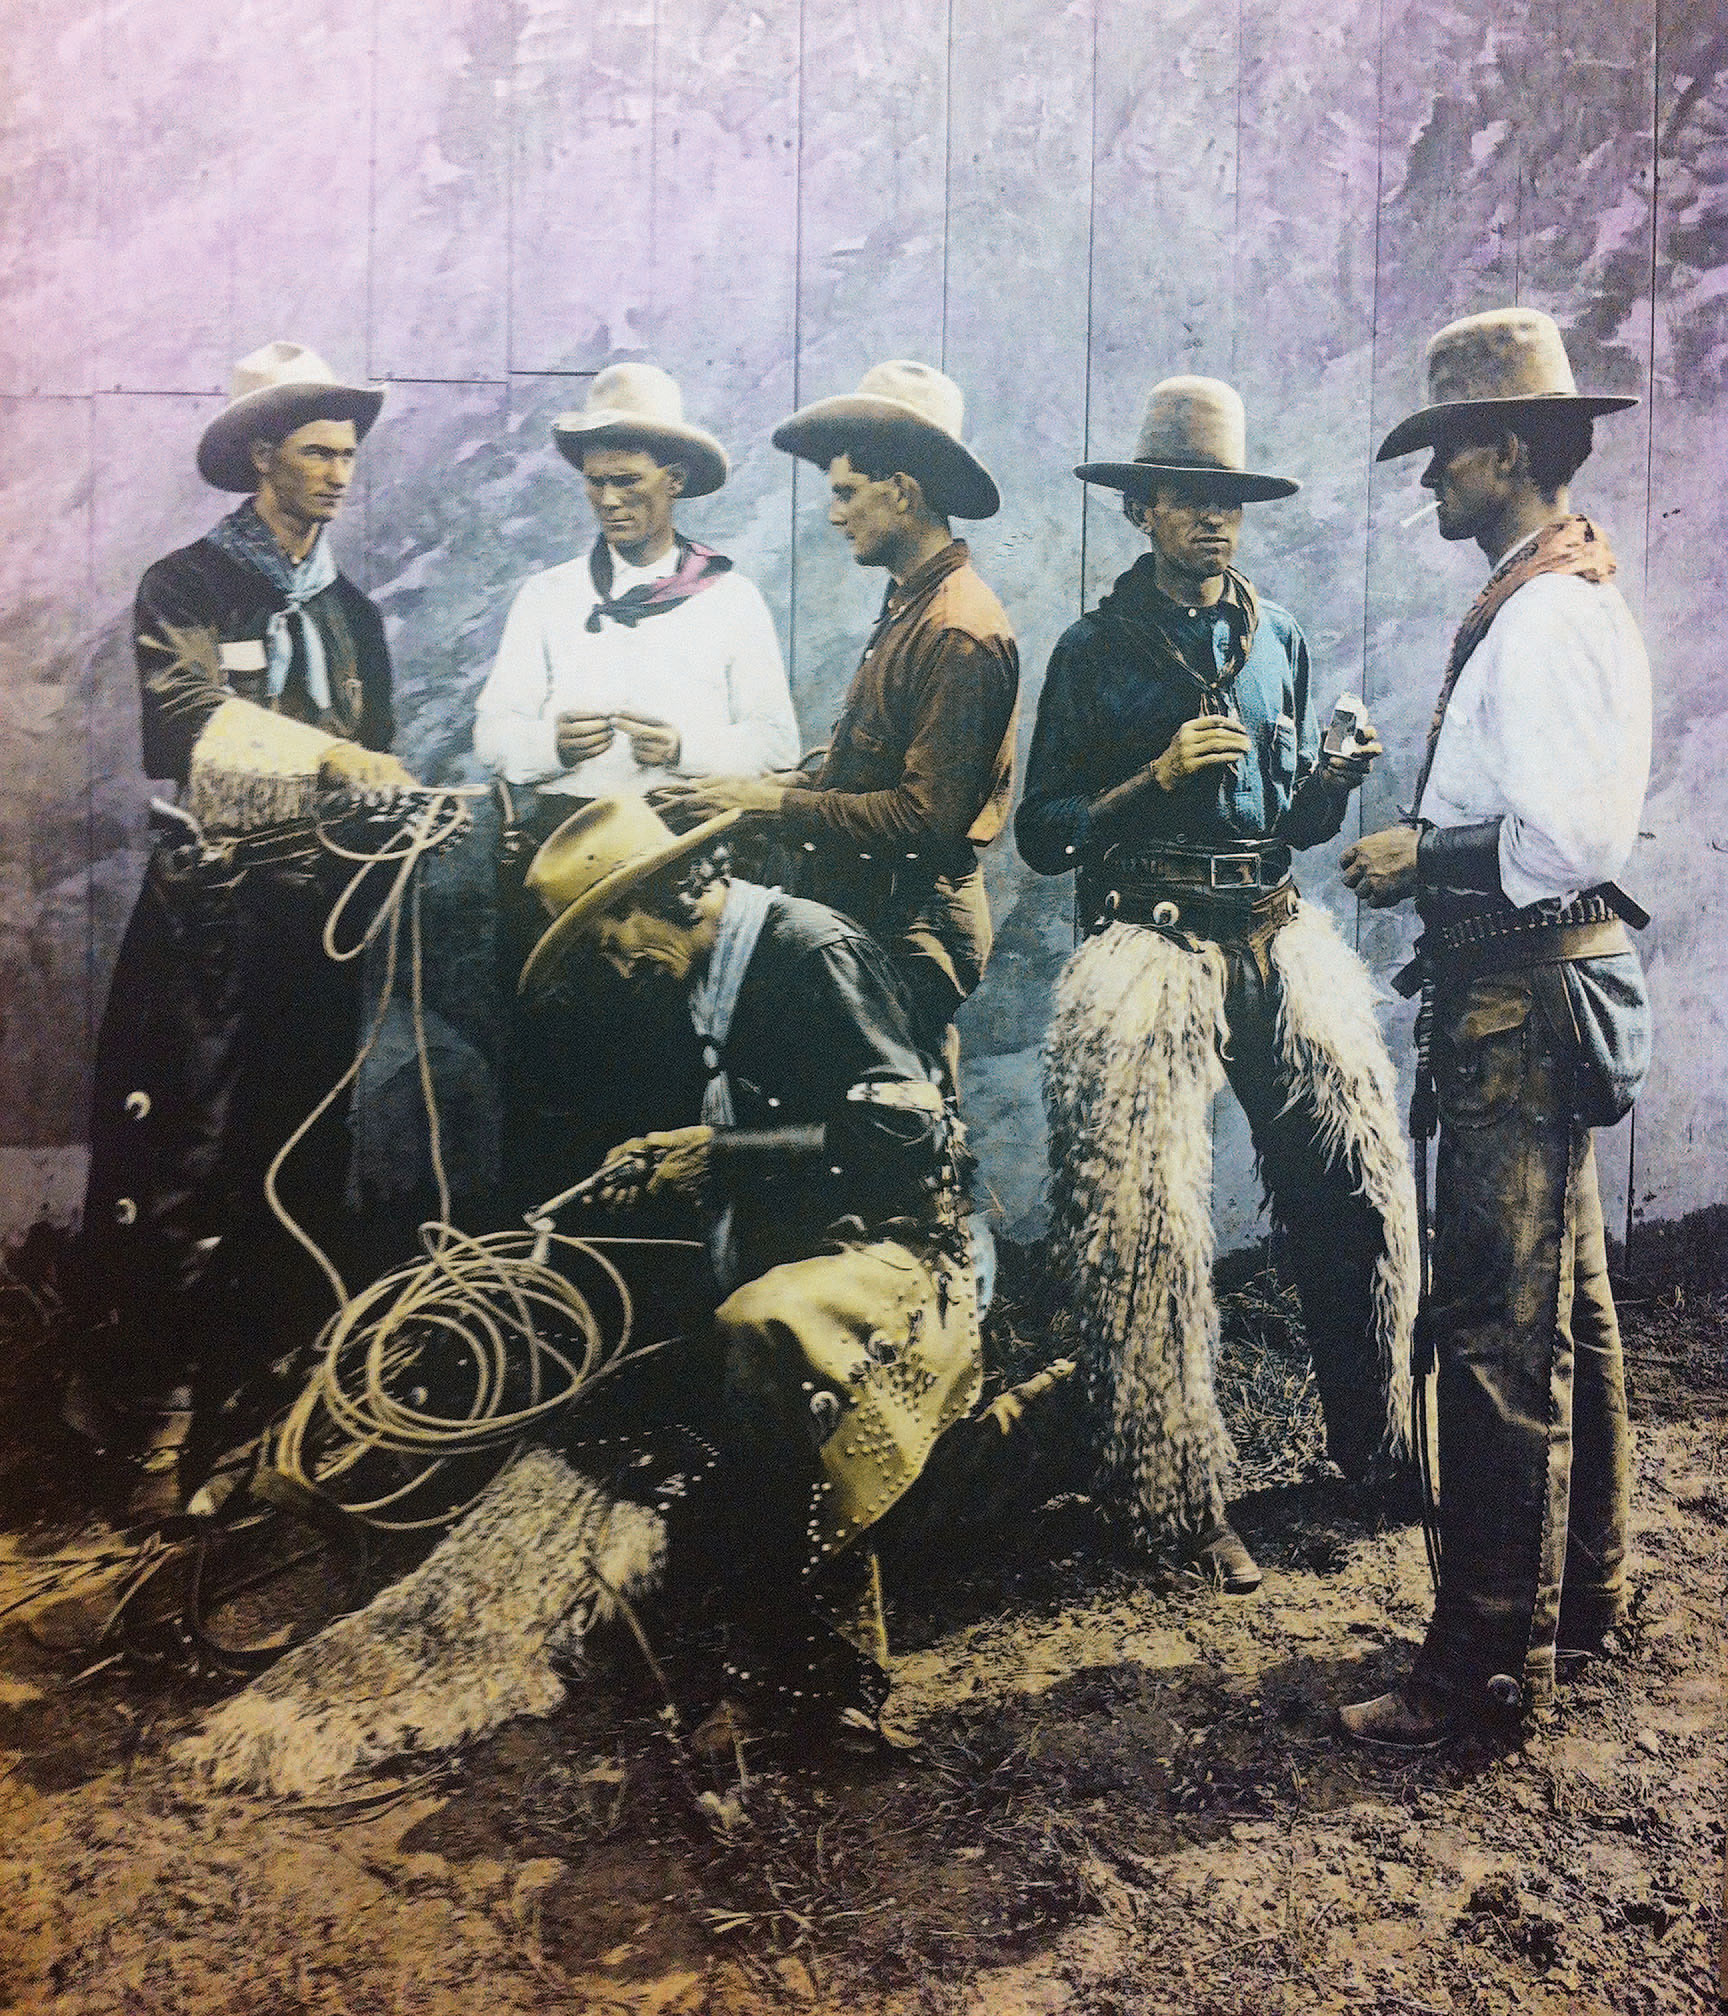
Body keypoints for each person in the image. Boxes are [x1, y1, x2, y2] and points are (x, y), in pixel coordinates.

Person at [1016, 375, 1419, 1592]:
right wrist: (1150, 776)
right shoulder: (1092, 653)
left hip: (1274, 938)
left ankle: (1376, 1448)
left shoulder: (1276, 635)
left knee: (1350, 1189)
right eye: (1187, 501)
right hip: (1152, 949)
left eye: (1227, 503)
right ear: (1141, 510)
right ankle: (1176, 1497)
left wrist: (1338, 780)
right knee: (1152, 1232)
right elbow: (1042, 833)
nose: (1211, 522)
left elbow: (1289, 819)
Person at [1338, 307, 1651, 1745]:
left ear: (1510, 452)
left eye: (1448, 455)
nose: (1431, 486)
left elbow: (1569, 833)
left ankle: (1476, 1672)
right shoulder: (1554, 596)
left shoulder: (1547, 614)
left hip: (1523, 1005)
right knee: (1568, 1312)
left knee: (1490, 1335)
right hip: (1536, 996)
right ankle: (1585, 1599)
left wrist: (1424, 857)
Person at [515, 796, 983, 1725]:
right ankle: (715, 1604)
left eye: (616, 938)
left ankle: (821, 1667)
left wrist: (723, 1154)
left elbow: (915, 1136)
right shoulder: (703, 969)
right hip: (791, 1236)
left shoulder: (811, 951)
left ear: (681, 887)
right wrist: (667, 1162)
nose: (620, 966)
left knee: (760, 1327)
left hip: (904, 1248)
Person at [72, 341, 416, 1518]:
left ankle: (263, 1405)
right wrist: (329, 757)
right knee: (190, 1156)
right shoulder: (185, 588)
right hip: (207, 919)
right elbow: (178, 724)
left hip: (315, 923)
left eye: (348, 456)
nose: (337, 474)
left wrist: (386, 808)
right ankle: (153, 1425)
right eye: (316, 453)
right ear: (260, 457)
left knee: (300, 1151)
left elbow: (378, 756)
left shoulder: (357, 616)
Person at [472, 364, 801, 1207]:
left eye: (629, 482)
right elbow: (492, 733)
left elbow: (777, 746)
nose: (611, 500)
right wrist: (550, 740)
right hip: (562, 874)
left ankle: (658, 1282)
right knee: (557, 1080)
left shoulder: (730, 601)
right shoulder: (546, 600)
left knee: (664, 1069)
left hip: (673, 880)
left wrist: (687, 745)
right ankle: (555, 1270)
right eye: (596, 484)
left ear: (676, 480)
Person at [658, 361, 1019, 1086]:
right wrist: (759, 788)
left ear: (904, 492)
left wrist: (772, 803)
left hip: (912, 930)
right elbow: (870, 762)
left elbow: (925, 822)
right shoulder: (911, 606)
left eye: (847, 493)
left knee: (890, 1133)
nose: (833, 514)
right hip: (873, 912)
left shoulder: (956, 629)